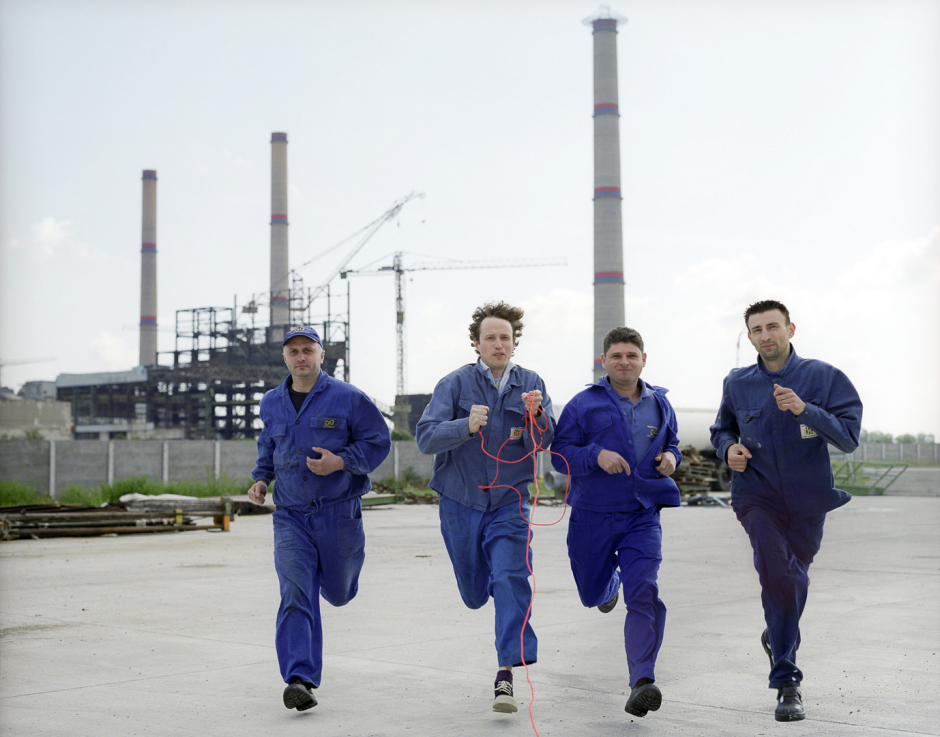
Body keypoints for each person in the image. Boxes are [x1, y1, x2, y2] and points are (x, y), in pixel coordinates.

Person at [710, 300, 862, 722]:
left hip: (809, 500)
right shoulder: (737, 382)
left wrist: (804, 409)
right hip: (756, 497)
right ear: (750, 337)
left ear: (790, 329)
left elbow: (849, 438)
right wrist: (729, 450)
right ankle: (787, 684)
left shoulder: (824, 377)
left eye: (772, 326)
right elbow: (722, 428)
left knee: (792, 582)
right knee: (777, 574)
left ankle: (779, 635)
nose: (765, 336)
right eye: (756, 330)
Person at [415, 301, 554, 714]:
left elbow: (543, 442)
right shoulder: (454, 384)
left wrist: (537, 416)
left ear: (515, 343)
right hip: (461, 500)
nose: (498, 344)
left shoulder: (531, 383)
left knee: (511, 576)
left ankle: (506, 673)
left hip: (511, 500)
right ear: (476, 343)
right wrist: (465, 425)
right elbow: (425, 438)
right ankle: (479, 596)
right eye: (490, 337)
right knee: (476, 593)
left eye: (505, 338)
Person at [247, 325, 391, 712]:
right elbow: (268, 445)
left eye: (307, 350)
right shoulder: (272, 402)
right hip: (291, 514)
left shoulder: (349, 398)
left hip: (338, 512)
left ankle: (339, 585)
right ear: (284, 357)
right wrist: (261, 478)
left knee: (340, 591)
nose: (300, 357)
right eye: (293, 351)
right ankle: (299, 678)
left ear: (321, 354)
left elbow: (378, 441)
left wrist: (341, 462)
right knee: (295, 593)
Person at [551, 326, 682, 719]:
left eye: (632, 355)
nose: (624, 362)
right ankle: (607, 588)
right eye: (616, 356)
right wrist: (595, 455)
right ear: (603, 361)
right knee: (592, 594)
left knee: (643, 590)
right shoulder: (583, 404)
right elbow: (560, 455)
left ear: (644, 359)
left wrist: (672, 459)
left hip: (643, 514)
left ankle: (642, 680)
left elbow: (672, 443)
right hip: (592, 514)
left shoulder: (661, 403)